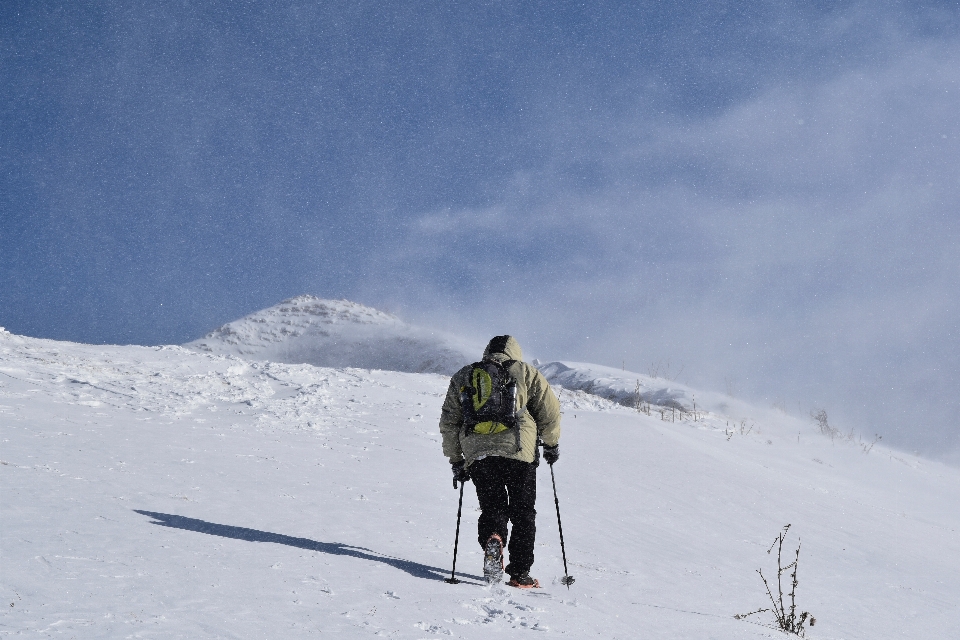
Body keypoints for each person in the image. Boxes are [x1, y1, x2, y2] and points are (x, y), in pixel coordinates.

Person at [439, 335, 561, 588]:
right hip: (520, 451)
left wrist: (456, 460)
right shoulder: (525, 371)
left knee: (492, 507)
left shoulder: (465, 375)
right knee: (523, 513)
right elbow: (549, 412)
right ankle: (519, 573)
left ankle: (494, 538)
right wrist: (551, 445)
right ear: (515, 352)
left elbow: (449, 421)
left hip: (479, 454)